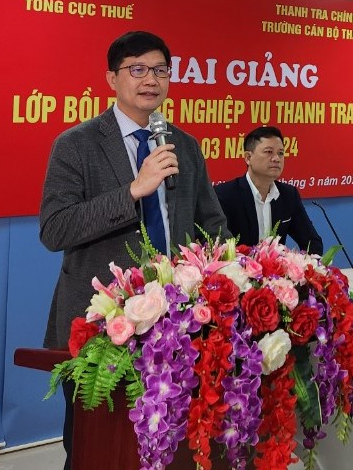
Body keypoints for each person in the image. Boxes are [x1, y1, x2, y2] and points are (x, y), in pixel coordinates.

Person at [39, 30, 230, 469]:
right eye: (137, 69)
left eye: (160, 70)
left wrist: (227, 271)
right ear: (112, 78)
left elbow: (212, 224)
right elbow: (55, 229)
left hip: (176, 323)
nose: (151, 80)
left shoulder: (182, 145)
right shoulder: (76, 144)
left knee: (171, 447)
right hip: (101, 326)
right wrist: (133, 190)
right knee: (95, 452)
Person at [215, 126, 323, 255]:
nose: (276, 158)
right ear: (248, 157)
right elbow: (218, 247)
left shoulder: (288, 195)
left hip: (276, 268)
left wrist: (301, 263)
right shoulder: (224, 195)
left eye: (280, 153)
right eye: (269, 152)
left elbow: (312, 242)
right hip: (237, 267)